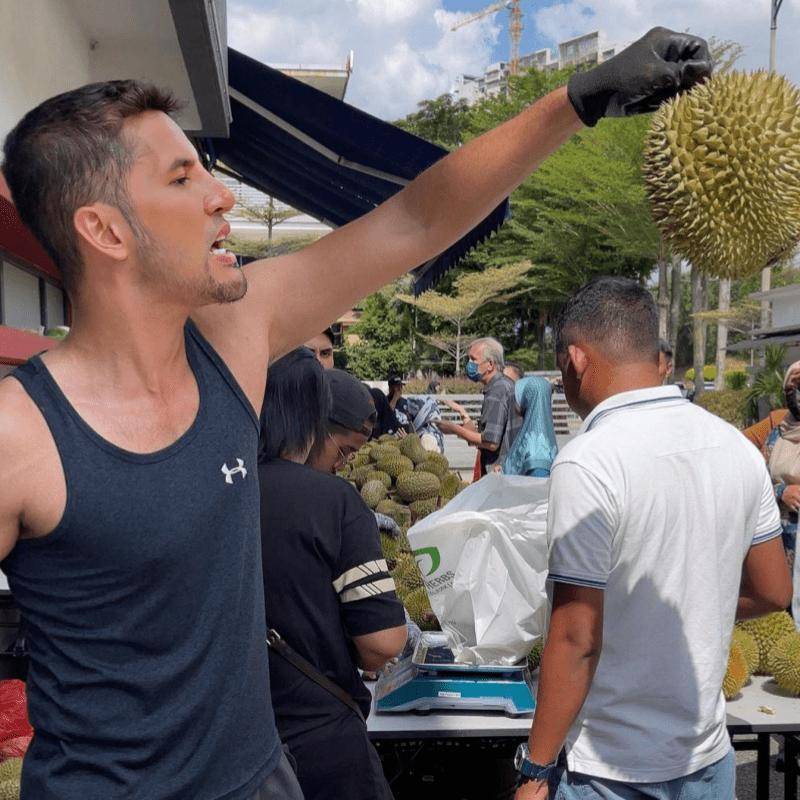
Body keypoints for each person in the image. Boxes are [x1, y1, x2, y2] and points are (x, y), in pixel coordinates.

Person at [0, 28, 712, 800]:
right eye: (181, 180)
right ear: (103, 230)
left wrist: (578, 100)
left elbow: (412, 223)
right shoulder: (20, 433)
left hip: (263, 779)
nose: (221, 196)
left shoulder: (230, 344)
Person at [513, 276, 791, 800]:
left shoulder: (587, 461)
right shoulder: (735, 447)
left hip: (610, 770)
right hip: (708, 760)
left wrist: (534, 769)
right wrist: (691, 605)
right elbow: (776, 592)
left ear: (576, 359)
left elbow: (575, 640)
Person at [257, 349, 406, 800]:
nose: (344, 464)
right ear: (312, 422)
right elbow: (383, 642)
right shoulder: (335, 502)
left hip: (236, 745)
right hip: (322, 741)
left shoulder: (214, 492)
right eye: (344, 451)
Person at [436, 337, 522, 475]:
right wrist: (462, 412)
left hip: (499, 474)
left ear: (490, 364)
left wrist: (454, 429)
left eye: (473, 359)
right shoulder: (503, 385)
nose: (469, 364)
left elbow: (491, 443)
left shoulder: (497, 392)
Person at [765, 360, 800, 628]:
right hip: (780, 537)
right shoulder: (776, 436)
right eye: (792, 387)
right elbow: (758, 481)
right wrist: (781, 491)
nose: (796, 393)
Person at [501, 376, 558, 478]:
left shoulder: (537, 446)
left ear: (527, 399)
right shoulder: (542, 436)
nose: (515, 403)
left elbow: (537, 488)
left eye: (518, 397)